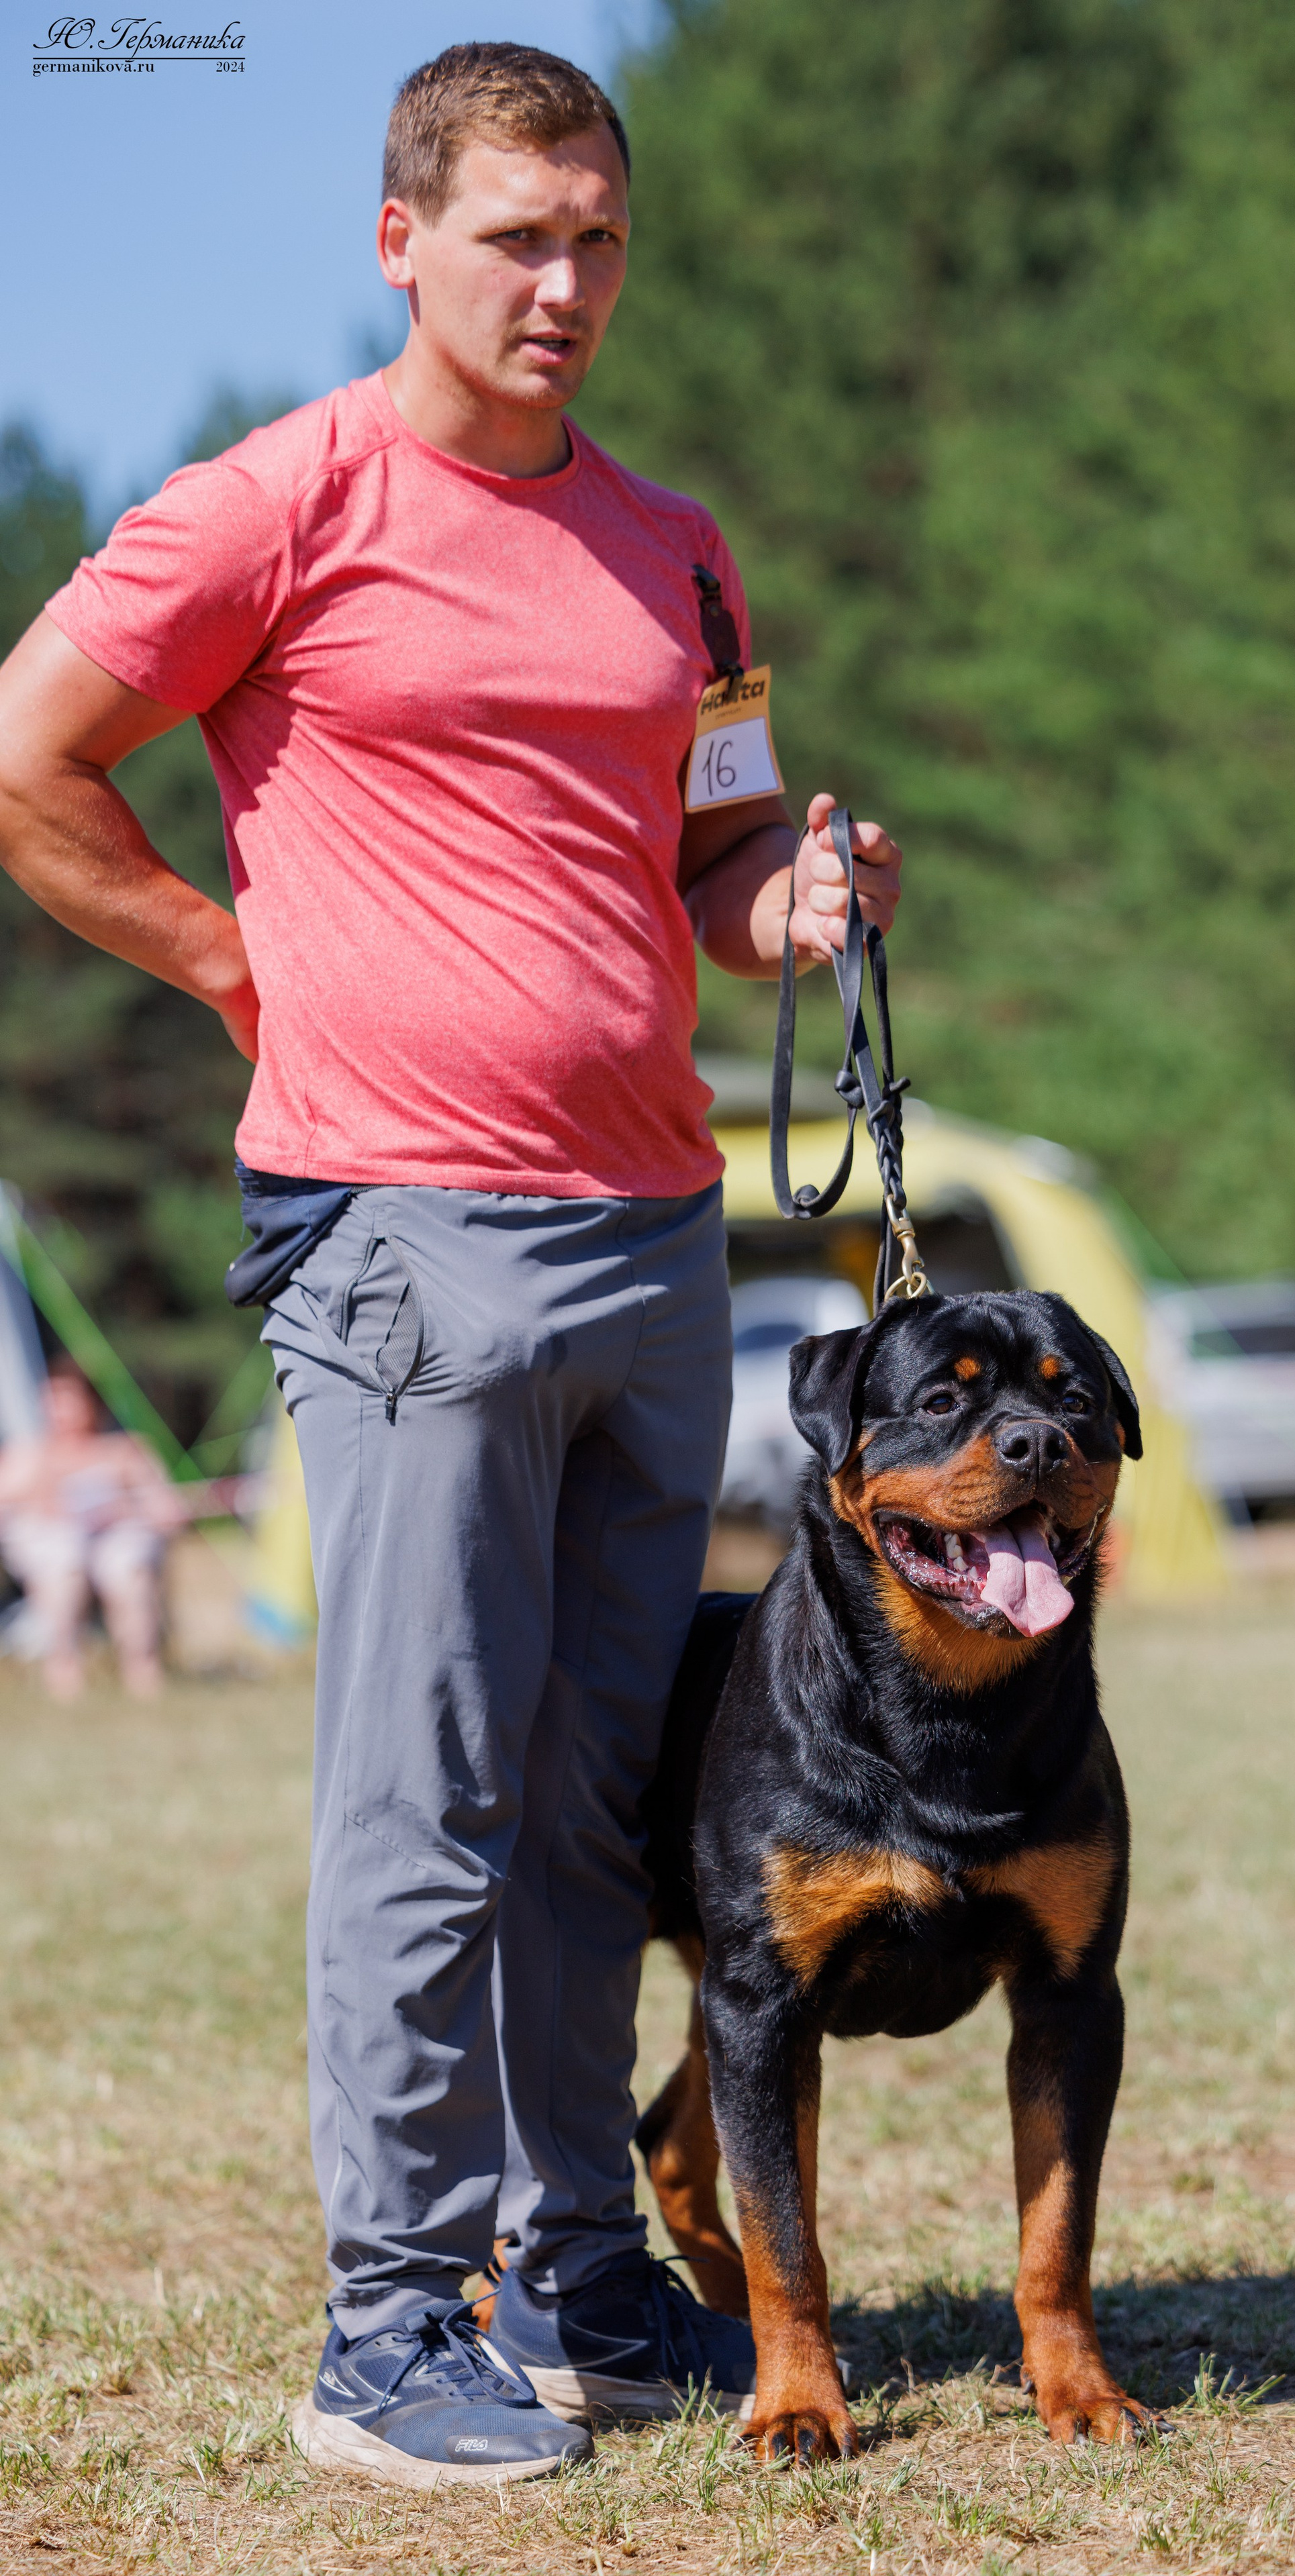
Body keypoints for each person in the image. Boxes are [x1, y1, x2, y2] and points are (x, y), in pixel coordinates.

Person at [0, 42, 904, 2487]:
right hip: (398, 1227)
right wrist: (221, 959)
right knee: (428, 1786)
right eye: (517, 236)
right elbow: (27, 750)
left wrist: (786, 903)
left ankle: (574, 2275)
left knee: (597, 1799)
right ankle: (383, 2320)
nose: (564, 285)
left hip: (649, 1231)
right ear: (399, 236)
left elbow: (713, 870)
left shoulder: (677, 543)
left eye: (597, 239)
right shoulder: (271, 502)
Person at [0, 1358, 183, 1699]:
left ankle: (142, 1672)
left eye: (70, 1400)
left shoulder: (125, 1450)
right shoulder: (29, 1455)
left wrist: (125, 1508)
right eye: (53, 1400)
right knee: (62, 1560)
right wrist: (39, 1500)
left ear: (92, 1403)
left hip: (116, 1540)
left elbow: (169, 1512)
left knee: (127, 1566)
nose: (61, 1412)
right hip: (53, 1547)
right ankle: (64, 1672)